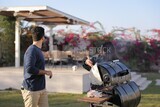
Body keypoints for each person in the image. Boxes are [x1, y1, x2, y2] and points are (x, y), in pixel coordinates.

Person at [21, 26, 52, 107]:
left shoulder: (37, 50)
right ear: (43, 37)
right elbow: (29, 68)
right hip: (32, 89)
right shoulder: (32, 50)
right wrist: (46, 72)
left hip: (41, 88)